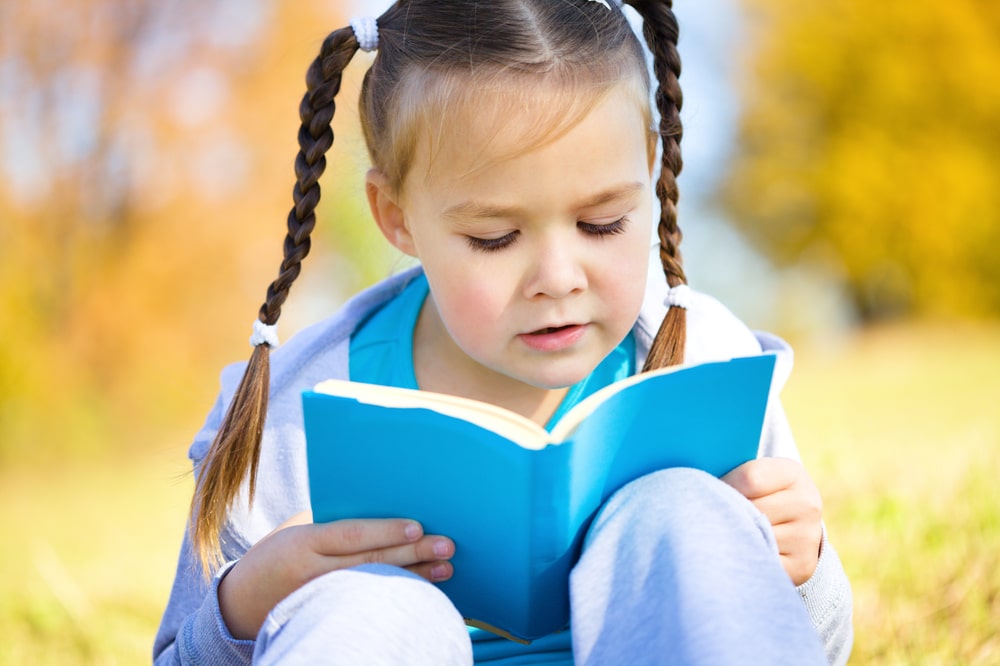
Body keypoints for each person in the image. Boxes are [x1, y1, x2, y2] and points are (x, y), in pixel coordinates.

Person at [153, 1, 853, 664]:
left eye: (601, 222)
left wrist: (801, 566)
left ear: (649, 167)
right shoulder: (294, 415)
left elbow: (820, 641)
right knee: (368, 605)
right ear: (395, 216)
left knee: (682, 514)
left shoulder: (702, 358)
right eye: (495, 237)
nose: (557, 277)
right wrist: (245, 607)